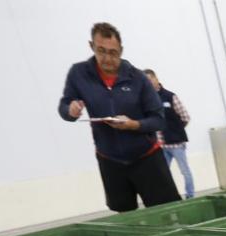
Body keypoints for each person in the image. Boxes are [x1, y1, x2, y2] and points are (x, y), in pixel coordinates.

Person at [57, 22, 180, 211]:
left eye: (113, 53)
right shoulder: (79, 74)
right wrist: (70, 110)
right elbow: (64, 106)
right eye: (101, 51)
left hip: (147, 158)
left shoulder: (138, 78)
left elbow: (159, 119)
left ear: (121, 50)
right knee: (124, 215)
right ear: (92, 47)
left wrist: (133, 124)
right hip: (110, 161)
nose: (107, 58)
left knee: (167, 212)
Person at [142, 69, 195, 199]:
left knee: (184, 171)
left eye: (150, 80)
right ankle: (169, 196)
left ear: (156, 78)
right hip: (161, 145)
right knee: (163, 174)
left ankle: (190, 195)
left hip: (176, 144)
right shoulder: (146, 100)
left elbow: (185, 117)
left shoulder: (170, 96)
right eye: (145, 82)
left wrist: (175, 131)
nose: (148, 83)